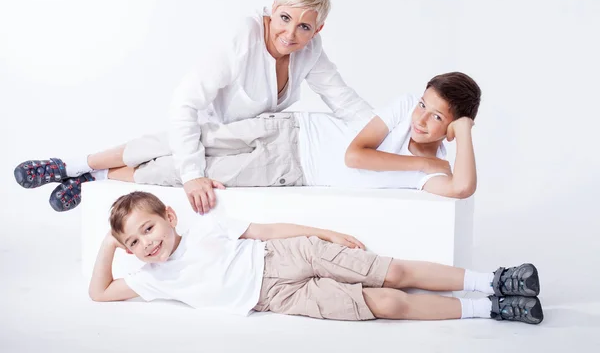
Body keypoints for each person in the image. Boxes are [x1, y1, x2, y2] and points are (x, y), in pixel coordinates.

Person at [11, 0, 374, 214]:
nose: (290, 33)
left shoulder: (311, 50)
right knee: (162, 150)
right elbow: (185, 103)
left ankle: (92, 181)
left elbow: (343, 99)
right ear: (272, 9)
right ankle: (73, 166)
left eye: (304, 26)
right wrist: (192, 174)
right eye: (284, 18)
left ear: (318, 29)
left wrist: (389, 136)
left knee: (164, 167)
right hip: (206, 126)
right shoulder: (241, 39)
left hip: (251, 136)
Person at [13, 72, 480, 212]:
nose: (421, 118)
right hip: (290, 130)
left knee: (175, 173)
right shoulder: (403, 111)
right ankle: (69, 162)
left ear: (455, 126)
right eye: (423, 104)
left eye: (437, 116)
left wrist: (461, 139)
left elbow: (462, 188)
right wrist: (418, 164)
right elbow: (355, 155)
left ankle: (92, 181)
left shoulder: (440, 171)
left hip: (289, 173)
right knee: (176, 139)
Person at [88, 191, 543, 325]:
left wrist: (320, 233)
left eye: (148, 229)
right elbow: (100, 292)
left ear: (169, 216)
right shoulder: (154, 277)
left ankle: (493, 279)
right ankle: (492, 308)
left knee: (394, 271)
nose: (145, 244)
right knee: (386, 303)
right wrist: (109, 244)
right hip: (277, 297)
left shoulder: (207, 226)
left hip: (285, 254)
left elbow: (266, 231)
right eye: (133, 243)